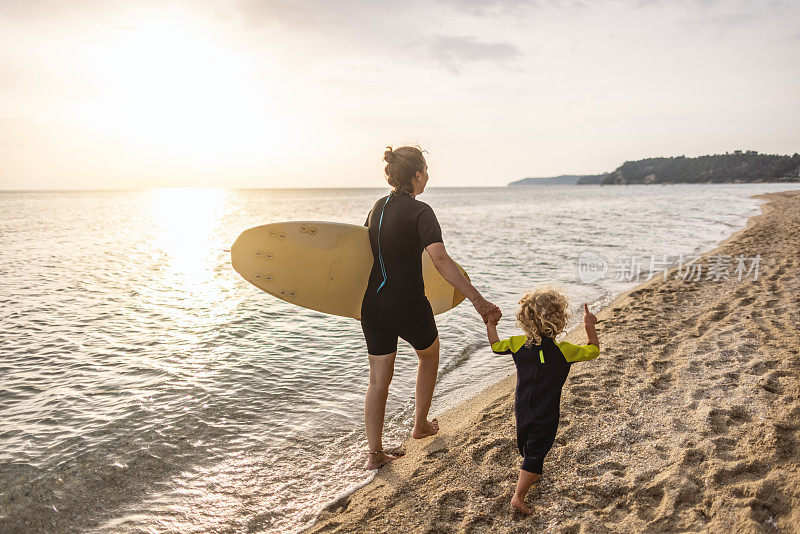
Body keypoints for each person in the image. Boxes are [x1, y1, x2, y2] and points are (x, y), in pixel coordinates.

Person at [361, 145, 502, 470]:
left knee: (378, 379)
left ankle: (375, 455)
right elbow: (440, 260)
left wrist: (353, 304)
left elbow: (360, 255)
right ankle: (420, 424)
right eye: (425, 170)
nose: (428, 176)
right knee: (429, 354)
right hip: (408, 303)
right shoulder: (421, 212)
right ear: (416, 175)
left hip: (373, 305)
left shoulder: (376, 208)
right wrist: (478, 301)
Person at [486, 287, 600, 514]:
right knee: (537, 451)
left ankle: (530, 469)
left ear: (525, 319)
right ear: (559, 321)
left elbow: (496, 346)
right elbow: (593, 351)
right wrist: (589, 326)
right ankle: (518, 497)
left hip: (522, 407)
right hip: (546, 411)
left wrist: (491, 325)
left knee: (527, 445)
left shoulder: (518, 344)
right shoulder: (565, 351)